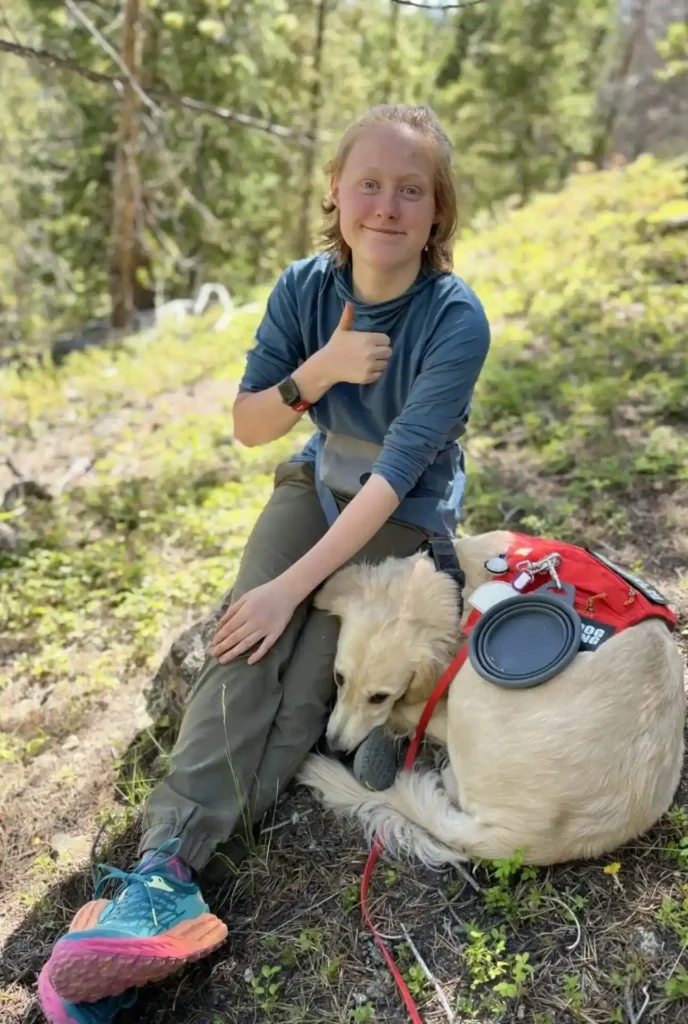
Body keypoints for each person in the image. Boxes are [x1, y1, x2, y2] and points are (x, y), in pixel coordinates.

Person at [36, 103, 491, 1024]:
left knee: (305, 686)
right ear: (335, 188)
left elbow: (396, 475)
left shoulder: (454, 320)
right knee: (245, 640)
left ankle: (346, 749)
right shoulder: (305, 289)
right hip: (314, 486)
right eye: (369, 182)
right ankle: (164, 875)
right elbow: (251, 424)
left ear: (437, 213)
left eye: (412, 190)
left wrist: (297, 589)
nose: (387, 206)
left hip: (399, 517)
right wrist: (316, 372)